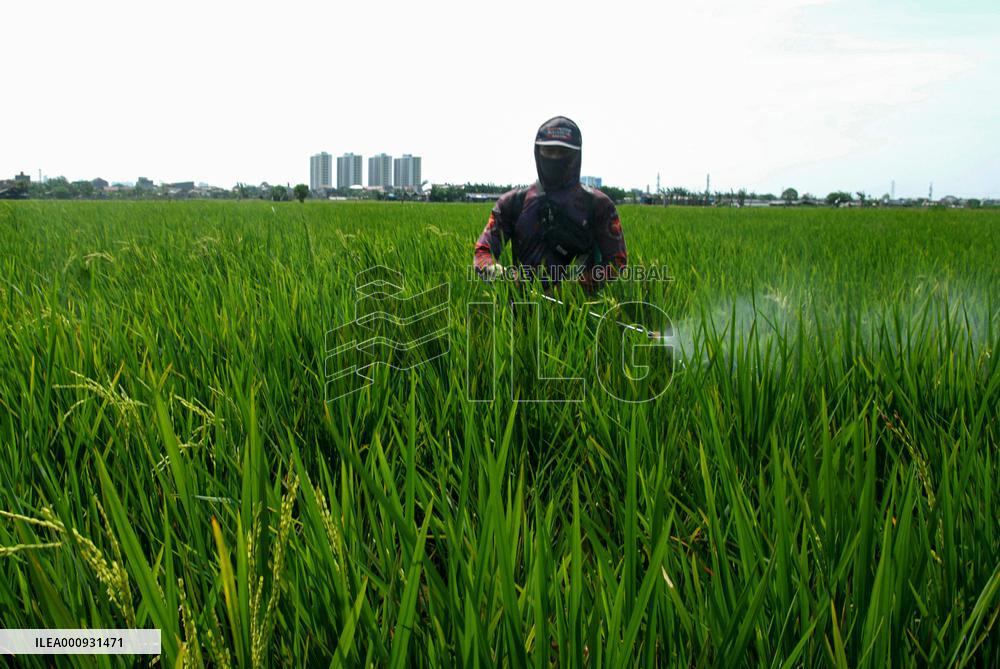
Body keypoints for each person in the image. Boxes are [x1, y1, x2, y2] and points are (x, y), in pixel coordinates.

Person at [473, 116, 627, 293]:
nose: (555, 157)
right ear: (538, 152)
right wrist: (502, 276)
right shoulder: (513, 202)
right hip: (522, 311)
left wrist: (571, 290)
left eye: (563, 152)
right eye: (549, 151)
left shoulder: (598, 205)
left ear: (576, 155)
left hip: (582, 312)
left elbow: (617, 262)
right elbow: (482, 252)